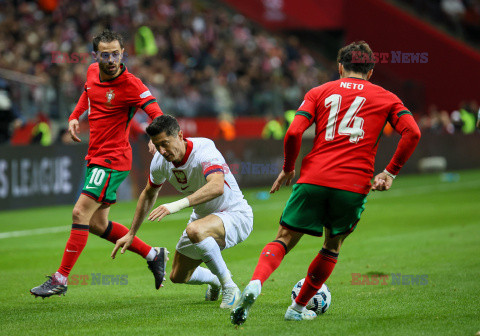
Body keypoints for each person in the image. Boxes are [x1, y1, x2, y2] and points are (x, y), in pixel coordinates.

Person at [231, 41, 421, 324]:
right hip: (353, 185)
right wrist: (389, 172)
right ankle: (297, 308)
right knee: (332, 245)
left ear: (340, 67)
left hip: (313, 178)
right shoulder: (387, 98)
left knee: (283, 238)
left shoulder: (319, 92)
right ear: (370, 72)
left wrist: (287, 168)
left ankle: (256, 284)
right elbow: (413, 133)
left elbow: (294, 132)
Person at [30, 30, 167, 298]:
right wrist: (74, 116)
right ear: (96, 56)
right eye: (105, 54)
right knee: (95, 223)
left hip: (113, 160)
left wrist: (157, 138)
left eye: (116, 53)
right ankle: (153, 254)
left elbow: (156, 113)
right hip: (96, 157)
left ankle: (60, 278)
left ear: (123, 53)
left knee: (79, 213)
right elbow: (87, 93)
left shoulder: (132, 84)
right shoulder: (93, 72)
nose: (111, 59)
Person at [112, 115, 254, 309]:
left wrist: (175, 206)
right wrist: (131, 233)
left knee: (195, 230)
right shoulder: (160, 162)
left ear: (180, 135)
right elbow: (148, 194)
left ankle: (229, 286)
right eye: (157, 145)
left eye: (165, 143)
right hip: (203, 218)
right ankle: (214, 280)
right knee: (178, 276)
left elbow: (217, 186)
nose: (162, 151)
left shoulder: (204, 149)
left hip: (235, 214)